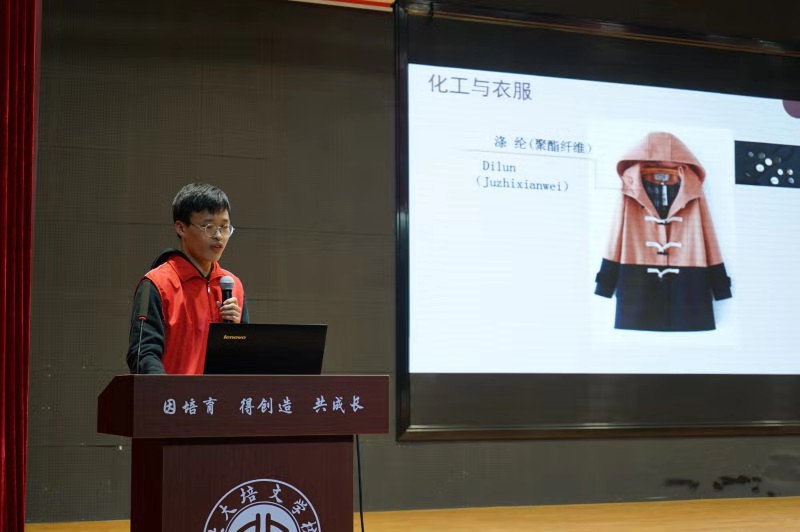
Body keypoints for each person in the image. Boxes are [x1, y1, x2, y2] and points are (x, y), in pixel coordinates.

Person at [126, 183, 248, 374]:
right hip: (173, 393)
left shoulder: (233, 286)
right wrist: (167, 389)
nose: (219, 236)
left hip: (220, 394)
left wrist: (238, 333)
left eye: (224, 227)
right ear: (181, 228)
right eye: (209, 227)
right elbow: (143, 354)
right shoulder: (156, 284)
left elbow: (245, 360)